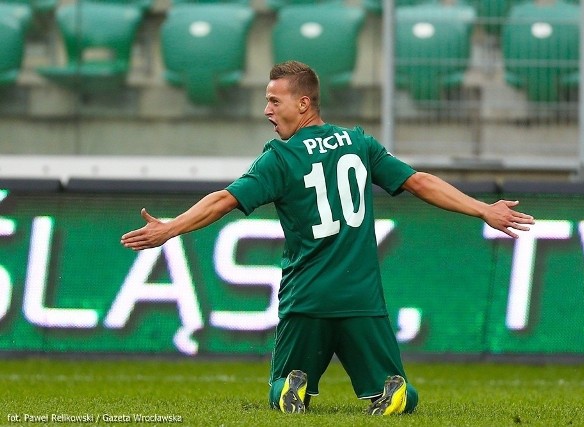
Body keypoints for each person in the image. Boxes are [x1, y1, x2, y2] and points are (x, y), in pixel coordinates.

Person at [121, 60, 534, 415]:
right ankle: (387, 389)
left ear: (303, 103)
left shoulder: (281, 157)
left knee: (280, 388)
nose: (266, 110)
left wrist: (170, 228)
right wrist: (484, 209)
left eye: (273, 101)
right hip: (362, 300)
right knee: (404, 395)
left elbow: (224, 200)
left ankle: (293, 384)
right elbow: (419, 182)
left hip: (307, 300)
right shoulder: (358, 143)